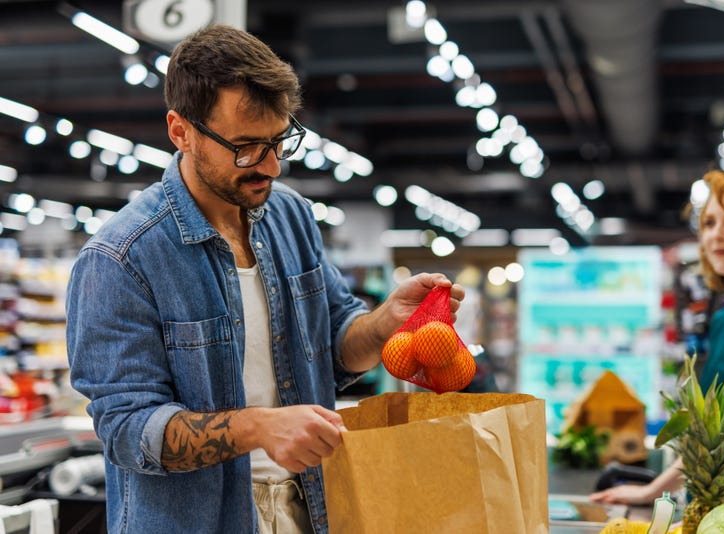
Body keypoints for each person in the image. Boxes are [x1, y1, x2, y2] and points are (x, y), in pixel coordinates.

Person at [65, 25, 464, 534]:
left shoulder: (290, 216)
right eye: (247, 147)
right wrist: (259, 427)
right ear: (180, 131)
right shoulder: (121, 258)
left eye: (279, 141)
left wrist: (384, 323)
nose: (271, 166)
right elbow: (126, 430)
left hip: (310, 508)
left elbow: (335, 348)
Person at [590, 169, 724, 525]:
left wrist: (719, 523)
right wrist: (651, 490)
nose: (717, 234)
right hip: (719, 517)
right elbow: (707, 439)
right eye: (709, 222)